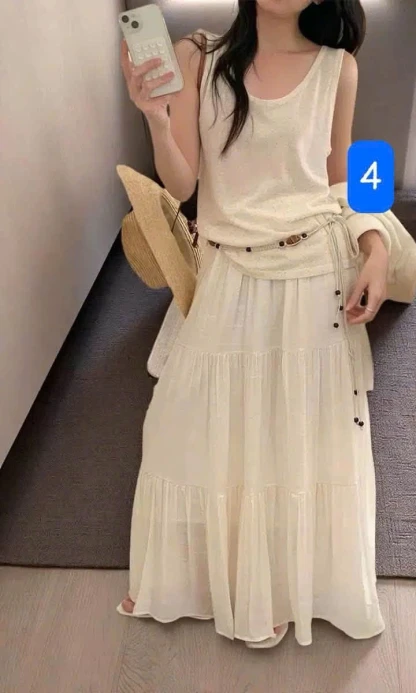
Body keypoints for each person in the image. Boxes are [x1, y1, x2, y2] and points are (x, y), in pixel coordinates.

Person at [118, 0, 390, 648]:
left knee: (291, 438)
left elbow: (351, 173)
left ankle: (281, 585)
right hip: (228, 270)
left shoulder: (338, 68)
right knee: (180, 424)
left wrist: (377, 246)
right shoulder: (198, 57)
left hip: (312, 271)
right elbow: (182, 183)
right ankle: (185, 577)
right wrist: (156, 119)